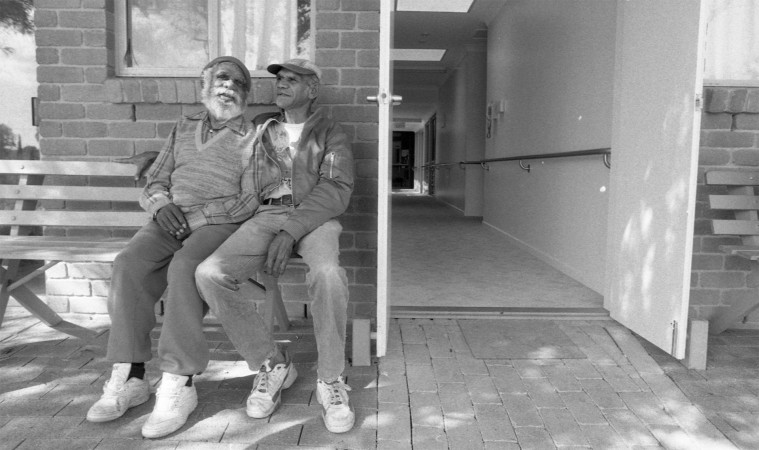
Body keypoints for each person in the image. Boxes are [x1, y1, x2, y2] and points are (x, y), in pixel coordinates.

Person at [86, 56, 258, 439]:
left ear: (248, 93)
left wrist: (198, 218)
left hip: (218, 222)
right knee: (129, 263)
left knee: (185, 269)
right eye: (221, 77)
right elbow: (155, 179)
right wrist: (161, 206)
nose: (229, 85)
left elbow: (251, 199)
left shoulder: (255, 136)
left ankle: (179, 382)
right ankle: (130, 376)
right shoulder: (183, 127)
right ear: (205, 86)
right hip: (169, 218)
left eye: (239, 81)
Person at [195, 58, 356, 434]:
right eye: (278, 79)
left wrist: (291, 231)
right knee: (210, 274)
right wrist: (160, 164)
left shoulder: (331, 132)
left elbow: (335, 189)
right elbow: (216, 157)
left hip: (315, 219)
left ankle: (331, 379)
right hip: (265, 217)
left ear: (312, 89)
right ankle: (272, 362)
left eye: (291, 80)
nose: (280, 84)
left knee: (329, 274)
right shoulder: (261, 125)